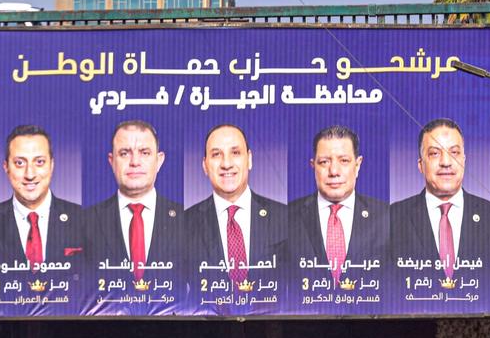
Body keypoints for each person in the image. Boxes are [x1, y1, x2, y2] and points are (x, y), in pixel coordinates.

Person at [389, 118, 490, 299]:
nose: (446, 162)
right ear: (421, 165)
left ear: (464, 160)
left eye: (454, 152)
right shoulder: (392, 218)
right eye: (435, 154)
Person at [0, 126, 85, 300]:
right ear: (6, 167)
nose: (30, 174)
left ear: (52, 165)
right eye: (20, 163)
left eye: (39, 162)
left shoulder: (84, 221)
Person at [181, 124, 286, 299]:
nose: (226, 164)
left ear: (249, 159)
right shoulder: (183, 225)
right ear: (205, 166)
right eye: (216, 155)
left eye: (235, 153)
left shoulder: (284, 218)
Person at [82, 119, 183, 297]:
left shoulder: (185, 220)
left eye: (144, 153)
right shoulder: (85, 223)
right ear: (111, 161)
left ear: (159, 161)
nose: (135, 162)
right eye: (124, 153)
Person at [287, 125, 389, 292]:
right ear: (313, 166)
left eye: (344, 161)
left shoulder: (387, 217)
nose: (334, 171)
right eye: (324, 162)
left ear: (357, 165)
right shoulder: (287, 218)